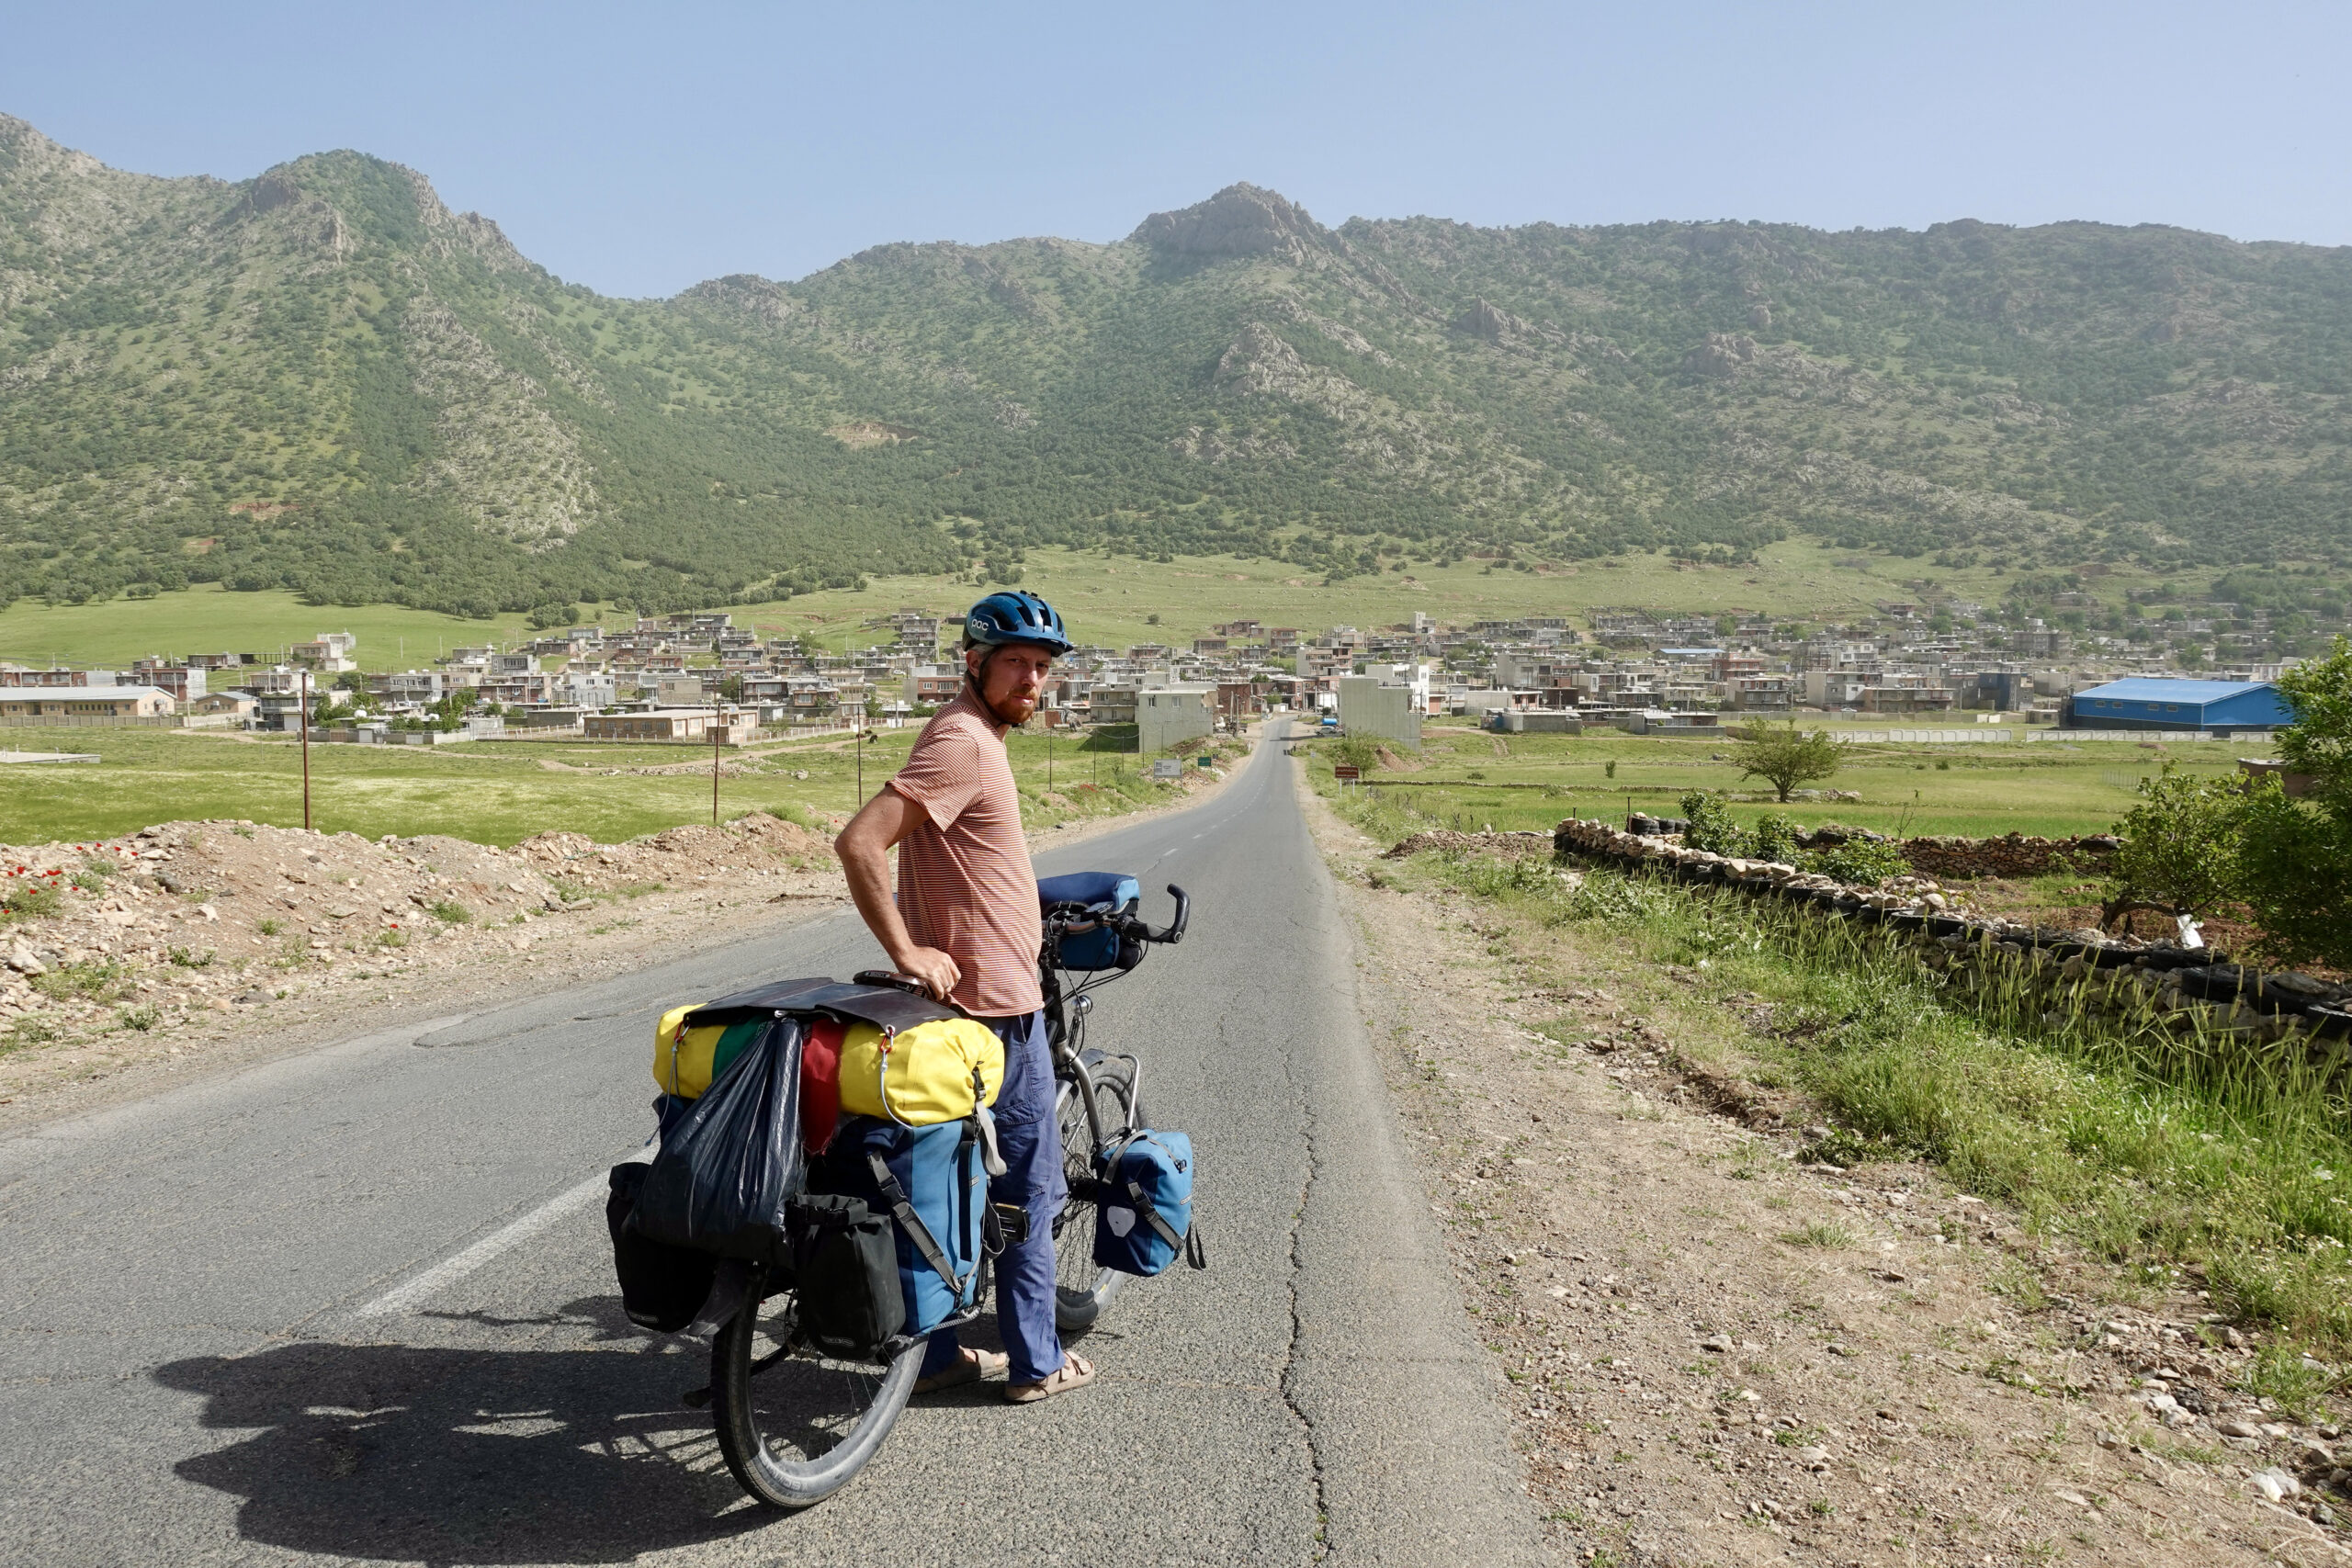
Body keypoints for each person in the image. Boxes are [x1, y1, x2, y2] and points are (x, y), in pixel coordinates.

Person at [832, 589, 1094, 1404]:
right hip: (993, 1018)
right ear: (974, 663)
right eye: (1016, 661)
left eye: (1043, 667)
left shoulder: (979, 737)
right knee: (1028, 1188)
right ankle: (1037, 1361)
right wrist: (907, 950)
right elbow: (860, 840)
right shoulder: (963, 742)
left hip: (975, 1007)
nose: (1032, 679)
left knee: (941, 1187)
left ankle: (939, 1352)